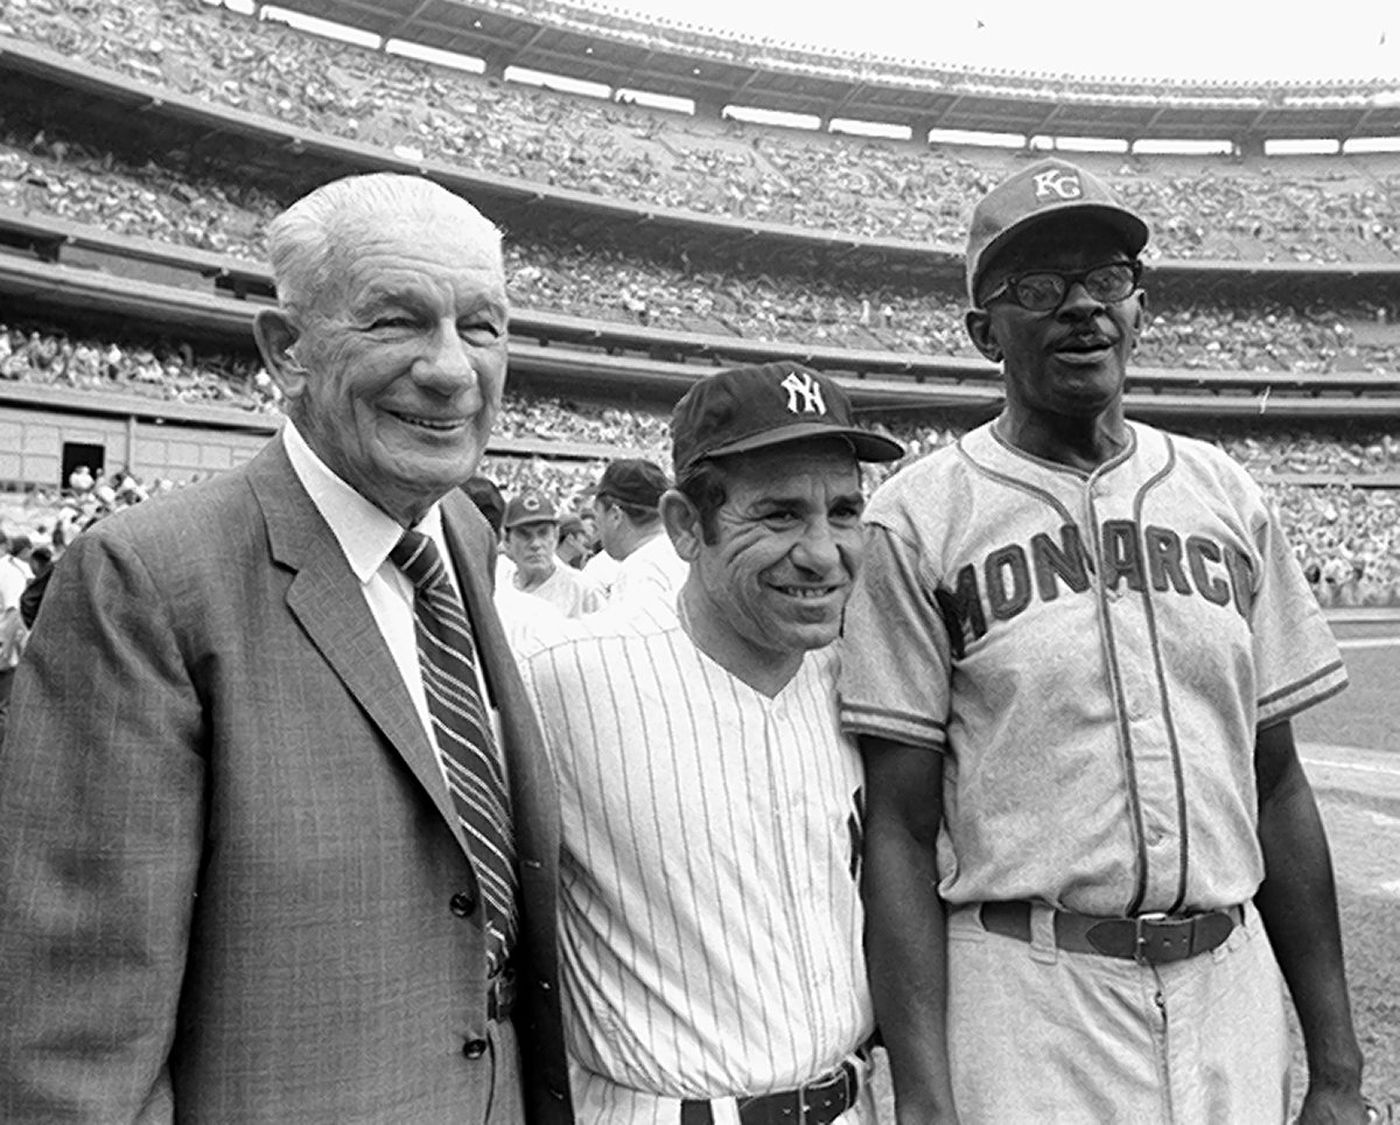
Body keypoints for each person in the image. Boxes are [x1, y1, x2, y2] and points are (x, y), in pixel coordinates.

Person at [0, 173, 572, 1123]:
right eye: (397, 321)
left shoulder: (463, 535)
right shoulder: (146, 581)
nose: (451, 369)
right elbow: (74, 1047)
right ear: (286, 350)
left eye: (483, 327)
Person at [840, 158, 1368, 1123]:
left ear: (1139, 308)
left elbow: (1279, 781)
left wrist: (1337, 1066)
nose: (1082, 308)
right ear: (982, 333)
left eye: (1107, 280)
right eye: (1037, 289)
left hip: (1227, 977)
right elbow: (901, 828)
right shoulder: (916, 519)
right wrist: (924, 1094)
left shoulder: (1225, 494)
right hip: (1027, 988)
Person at [518, 361, 903, 1123]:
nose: (824, 552)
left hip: (848, 1104)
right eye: (781, 514)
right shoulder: (560, 681)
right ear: (687, 525)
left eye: (845, 511)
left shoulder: (863, 678)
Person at [590, 457, 688, 610]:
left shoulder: (640, 569)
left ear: (615, 515)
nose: (596, 525)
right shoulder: (686, 552)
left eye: (598, 513)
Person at [502, 491, 605, 617]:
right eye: (524, 534)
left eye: (543, 533)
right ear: (507, 540)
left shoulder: (582, 591)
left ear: (555, 535)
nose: (535, 544)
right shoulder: (499, 586)